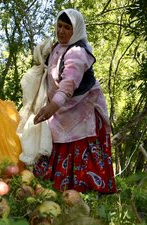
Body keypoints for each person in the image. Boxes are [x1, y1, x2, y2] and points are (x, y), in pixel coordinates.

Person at [33, 9, 117, 193]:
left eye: (67, 28)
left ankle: (87, 186)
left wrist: (52, 107)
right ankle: (57, 182)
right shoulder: (57, 48)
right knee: (57, 138)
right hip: (62, 107)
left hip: (82, 109)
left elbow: (69, 83)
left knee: (79, 142)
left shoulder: (78, 53)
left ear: (76, 30)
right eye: (59, 26)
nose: (61, 31)